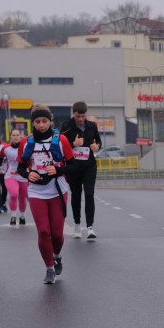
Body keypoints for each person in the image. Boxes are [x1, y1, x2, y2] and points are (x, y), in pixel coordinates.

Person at [18, 105, 73, 284]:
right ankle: (49, 268)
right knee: (43, 232)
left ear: (50, 121)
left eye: (44, 121)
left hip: (57, 190)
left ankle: (57, 256)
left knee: (57, 234)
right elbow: (20, 167)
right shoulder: (26, 141)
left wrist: (58, 170)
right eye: (37, 122)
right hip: (36, 192)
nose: (41, 125)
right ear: (33, 123)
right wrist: (28, 174)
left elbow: (74, 166)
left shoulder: (61, 140)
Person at [59, 101, 101, 240]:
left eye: (83, 116)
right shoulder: (66, 126)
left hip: (89, 166)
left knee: (89, 194)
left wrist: (96, 146)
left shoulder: (92, 126)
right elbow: (58, 144)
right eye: (78, 116)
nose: (81, 119)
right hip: (73, 167)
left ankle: (90, 227)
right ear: (73, 114)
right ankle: (77, 225)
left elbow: (98, 141)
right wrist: (72, 144)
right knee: (76, 196)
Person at [0, 129, 28, 227]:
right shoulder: (6, 148)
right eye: (13, 135)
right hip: (10, 175)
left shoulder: (26, 148)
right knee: (14, 194)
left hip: (23, 177)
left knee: (23, 197)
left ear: (21, 136)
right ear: (10, 136)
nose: (15, 137)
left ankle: (22, 216)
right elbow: (0, 156)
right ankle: (13, 216)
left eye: (17, 135)